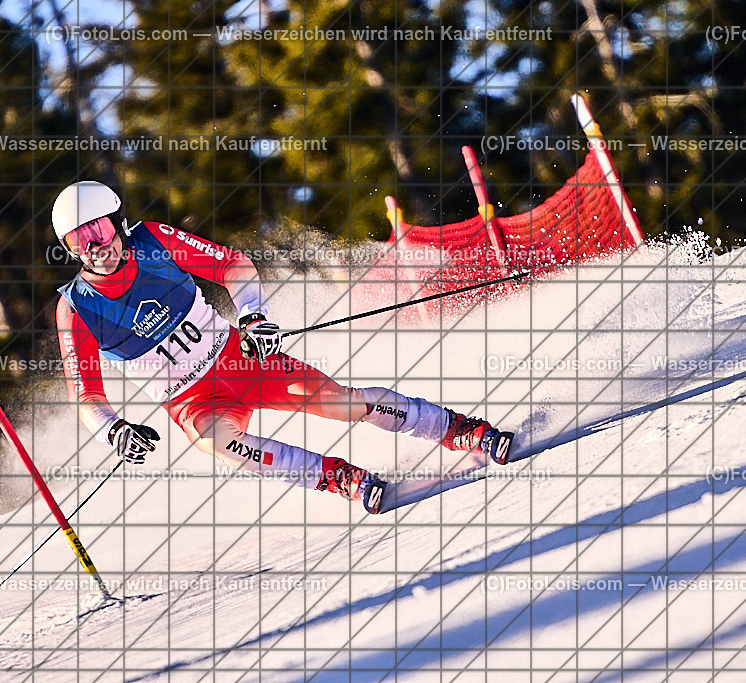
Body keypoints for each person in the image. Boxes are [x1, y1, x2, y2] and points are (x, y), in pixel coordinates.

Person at [53, 181, 504, 514]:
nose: (95, 244)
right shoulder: (76, 309)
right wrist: (112, 429)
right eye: (79, 239)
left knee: (341, 404)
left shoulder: (154, 241)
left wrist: (253, 315)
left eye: (98, 228)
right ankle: (339, 478)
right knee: (216, 441)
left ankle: (455, 428)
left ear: (116, 222)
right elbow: (86, 394)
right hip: (191, 400)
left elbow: (233, 264)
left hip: (240, 358)